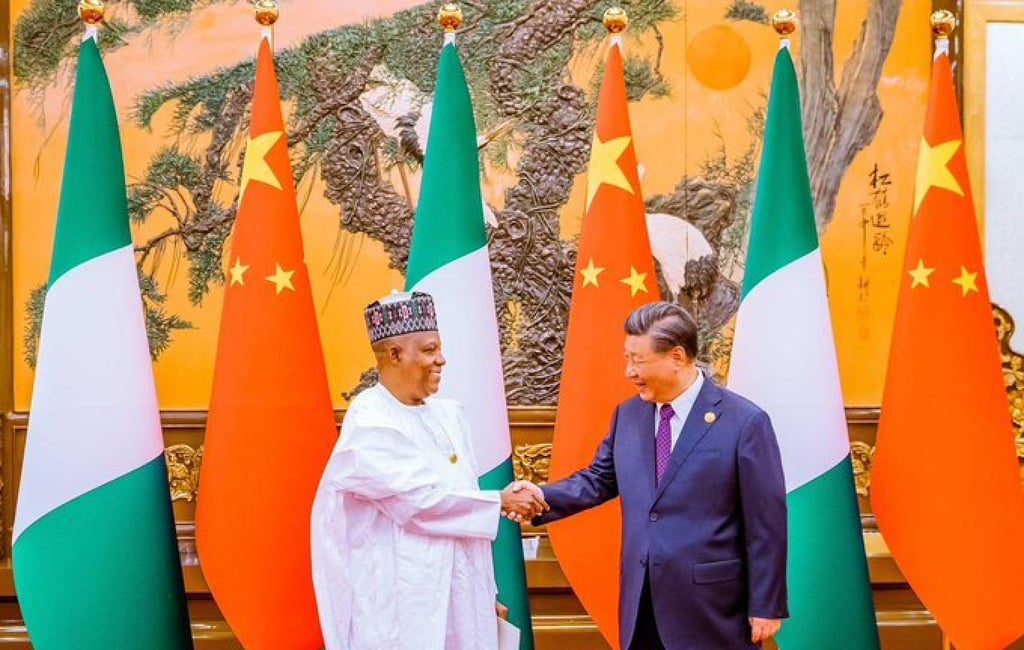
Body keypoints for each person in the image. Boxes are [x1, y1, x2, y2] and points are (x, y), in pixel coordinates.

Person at [514, 301, 788, 649]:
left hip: (712, 609)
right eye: (627, 358)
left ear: (677, 356)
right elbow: (598, 479)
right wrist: (540, 496)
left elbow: (766, 521)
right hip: (641, 602)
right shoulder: (628, 416)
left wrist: (766, 604)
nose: (629, 371)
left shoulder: (744, 422)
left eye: (638, 360)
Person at [311, 291, 545, 650]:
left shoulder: (449, 415)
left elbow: (464, 523)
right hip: (401, 608)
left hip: (461, 600)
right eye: (429, 350)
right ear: (394, 354)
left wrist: (484, 594)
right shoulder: (370, 421)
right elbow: (420, 504)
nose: (442, 360)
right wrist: (498, 500)